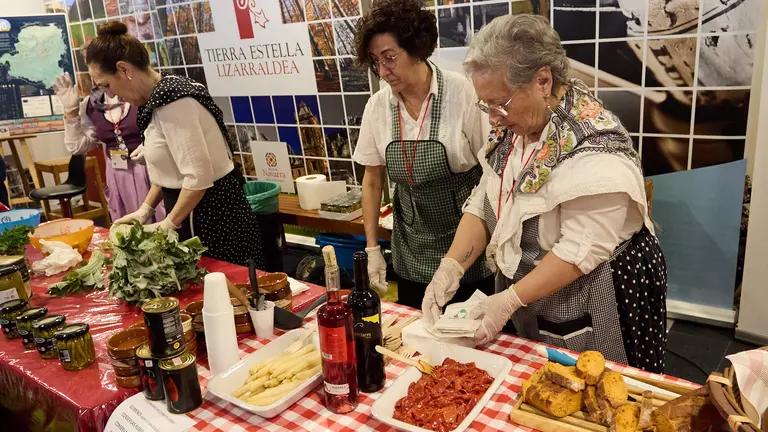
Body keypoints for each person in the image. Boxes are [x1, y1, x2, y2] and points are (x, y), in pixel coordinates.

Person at [422, 14, 667, 373]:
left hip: (595, 293)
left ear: (542, 80)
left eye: (500, 103)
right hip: (538, 294)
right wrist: (451, 266)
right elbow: (486, 201)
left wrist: (507, 301)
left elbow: (580, 249)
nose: (492, 118)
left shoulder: (595, 144)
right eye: (484, 104)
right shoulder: (517, 127)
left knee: (598, 395)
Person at [85, 21, 265, 268]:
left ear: (124, 69)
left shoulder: (173, 102)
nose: (111, 95)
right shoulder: (156, 95)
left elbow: (197, 178)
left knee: (229, 295)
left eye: (107, 84)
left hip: (213, 218)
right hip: (193, 212)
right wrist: (146, 210)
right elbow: (173, 167)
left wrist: (170, 223)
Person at [352, 0, 493, 309]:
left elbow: (492, 172)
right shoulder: (377, 107)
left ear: (416, 48)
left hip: (467, 245)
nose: (382, 71)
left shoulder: (462, 93)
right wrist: (373, 248)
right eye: (375, 61)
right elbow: (373, 181)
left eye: (389, 58)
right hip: (411, 248)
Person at [54, 72, 165, 224]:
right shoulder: (92, 104)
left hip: (150, 168)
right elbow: (78, 146)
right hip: (117, 173)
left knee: (159, 221)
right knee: (126, 226)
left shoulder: (140, 95)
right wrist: (71, 111)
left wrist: (150, 146)